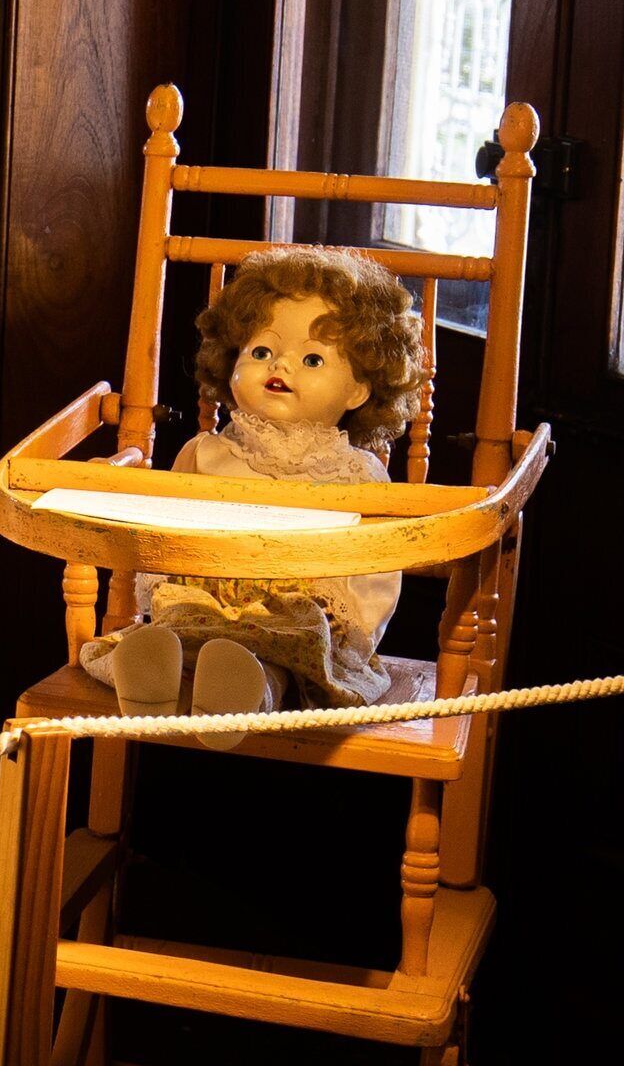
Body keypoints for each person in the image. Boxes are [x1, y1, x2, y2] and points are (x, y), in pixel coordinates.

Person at [81, 245, 425, 749]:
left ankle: (251, 691)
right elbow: (162, 531)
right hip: (203, 607)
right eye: (261, 351)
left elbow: (375, 571)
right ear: (232, 359)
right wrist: (160, 587)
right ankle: (156, 681)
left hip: (299, 625)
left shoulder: (357, 475)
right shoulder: (205, 454)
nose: (279, 365)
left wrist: (350, 629)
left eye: (312, 359)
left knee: (284, 647)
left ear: (358, 390)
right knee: (183, 625)